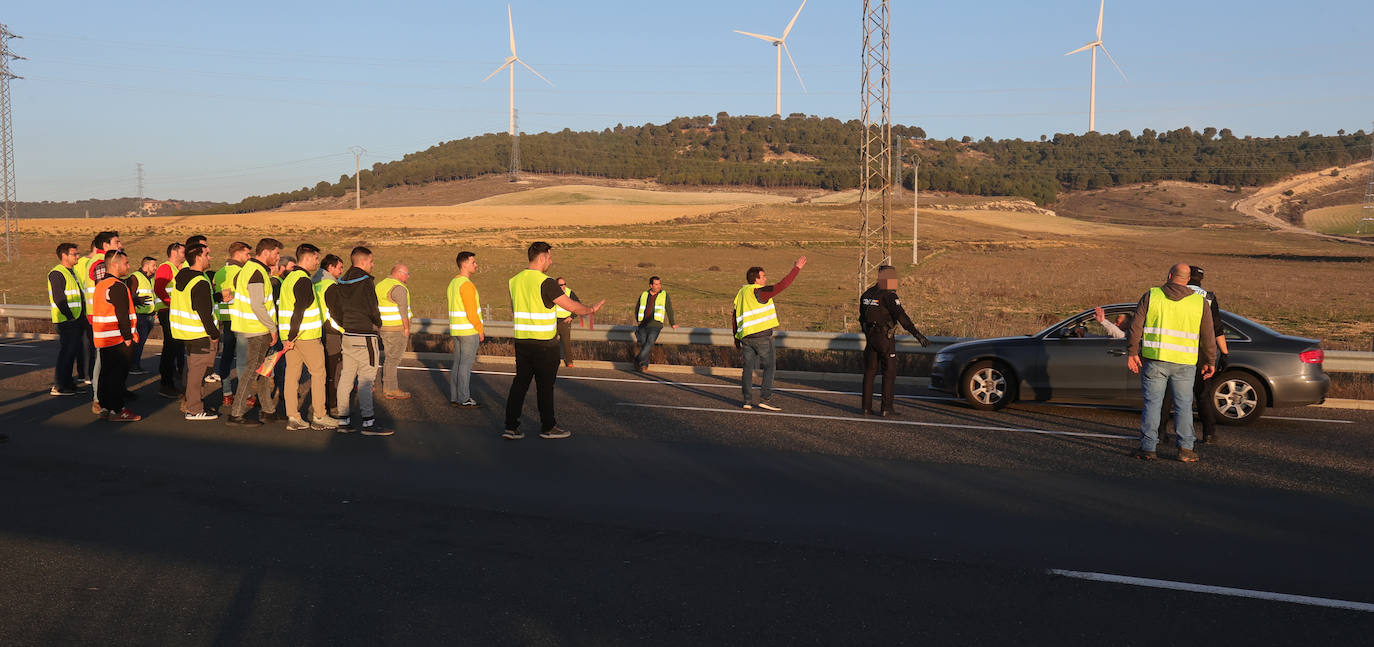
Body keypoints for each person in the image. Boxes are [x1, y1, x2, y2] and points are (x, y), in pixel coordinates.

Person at [504, 242, 603, 440]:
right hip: (544, 344)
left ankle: (511, 426)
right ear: (541, 258)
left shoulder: (514, 280)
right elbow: (571, 306)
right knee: (545, 387)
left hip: (522, 341)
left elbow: (516, 309)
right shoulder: (546, 282)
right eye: (549, 257)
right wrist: (590, 310)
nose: (551, 261)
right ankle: (548, 427)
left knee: (520, 384)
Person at [1126, 263, 1218, 462]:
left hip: (1155, 360)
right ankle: (1186, 448)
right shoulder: (1199, 302)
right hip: (1185, 362)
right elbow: (1209, 335)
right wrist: (1211, 360)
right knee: (1184, 405)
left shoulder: (1152, 295)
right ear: (1188, 280)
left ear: (1169, 275)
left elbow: (1136, 326)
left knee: (1153, 404)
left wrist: (1132, 352)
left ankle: (1148, 448)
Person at [1157, 265, 1230, 445]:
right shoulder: (1208, 298)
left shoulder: (1173, 293)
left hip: (1172, 350)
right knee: (1202, 395)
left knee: (1167, 396)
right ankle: (1209, 433)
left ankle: (1160, 433)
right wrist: (1224, 354)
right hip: (1199, 353)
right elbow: (1216, 329)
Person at [328, 246, 392, 435]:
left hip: (348, 335)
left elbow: (336, 308)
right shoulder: (365, 282)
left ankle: (344, 420)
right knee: (366, 380)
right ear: (363, 262)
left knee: (346, 377)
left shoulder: (341, 281)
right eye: (371, 262)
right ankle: (368, 422)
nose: (373, 265)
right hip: (365, 336)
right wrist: (377, 323)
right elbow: (373, 308)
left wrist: (344, 323)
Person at [732, 256, 806, 411]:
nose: (766, 278)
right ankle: (765, 398)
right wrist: (796, 268)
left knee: (747, 369)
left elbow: (734, 315)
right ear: (756, 279)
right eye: (763, 276)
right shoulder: (759, 292)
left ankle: (747, 401)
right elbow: (782, 285)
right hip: (762, 337)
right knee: (770, 367)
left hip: (745, 337)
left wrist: (736, 338)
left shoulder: (741, 293)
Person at [279, 244, 340, 431]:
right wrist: (292, 335)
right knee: (319, 373)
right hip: (305, 336)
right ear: (308, 257)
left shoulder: (289, 278)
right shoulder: (303, 280)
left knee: (291, 375)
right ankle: (320, 415)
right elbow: (299, 310)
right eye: (315, 258)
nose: (317, 262)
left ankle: (293, 416)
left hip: (290, 337)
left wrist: (288, 338)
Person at [859, 265, 930, 416]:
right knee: (889, 373)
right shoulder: (889, 296)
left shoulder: (866, 295)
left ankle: (866, 408)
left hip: (870, 338)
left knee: (870, 372)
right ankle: (886, 408)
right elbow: (901, 316)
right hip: (885, 338)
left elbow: (861, 318)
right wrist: (917, 334)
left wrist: (867, 334)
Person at [226, 238, 283, 427]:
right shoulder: (256, 272)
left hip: (257, 328)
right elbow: (258, 305)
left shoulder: (251, 269)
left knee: (265, 370)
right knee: (252, 371)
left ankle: (268, 410)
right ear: (266, 253)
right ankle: (236, 414)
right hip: (258, 330)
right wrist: (272, 328)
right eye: (276, 253)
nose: (278, 257)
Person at [169, 244, 221, 420]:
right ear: (198, 257)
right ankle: (195, 409)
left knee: (192, 371)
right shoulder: (200, 281)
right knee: (198, 373)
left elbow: (194, 302)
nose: (210, 258)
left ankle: (191, 404)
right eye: (207, 254)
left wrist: (218, 297)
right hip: (199, 334)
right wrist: (214, 334)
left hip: (184, 332)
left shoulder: (182, 276)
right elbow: (204, 312)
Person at [91, 250, 141, 422]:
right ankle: (118, 409)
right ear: (115, 264)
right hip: (118, 339)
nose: (128, 266)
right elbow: (122, 314)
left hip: (104, 338)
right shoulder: (117, 285)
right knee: (117, 377)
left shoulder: (101, 285)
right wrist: (127, 337)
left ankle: (105, 406)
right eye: (126, 263)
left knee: (106, 373)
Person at [214, 241, 251, 405]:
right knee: (243, 359)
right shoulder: (242, 272)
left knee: (227, 356)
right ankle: (247, 395)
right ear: (238, 253)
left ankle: (227, 393)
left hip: (225, 318)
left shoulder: (220, 272)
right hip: (239, 318)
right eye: (247, 254)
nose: (249, 257)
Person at [446, 251, 484, 407]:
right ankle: (464, 398)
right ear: (465, 264)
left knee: (458, 363)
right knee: (465, 366)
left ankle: (455, 397)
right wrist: (479, 329)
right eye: (473, 262)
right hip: (468, 330)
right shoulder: (467, 285)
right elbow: (471, 311)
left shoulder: (453, 283)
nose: (476, 265)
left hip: (456, 329)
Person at [47, 243, 86, 396]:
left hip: (76, 319)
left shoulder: (72, 272)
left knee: (72, 353)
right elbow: (59, 298)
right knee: (67, 352)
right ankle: (60, 385)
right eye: (74, 254)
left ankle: (68, 383)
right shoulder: (57, 273)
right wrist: (70, 317)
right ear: (64, 256)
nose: (78, 256)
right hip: (67, 320)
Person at [153, 242, 187, 399]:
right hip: (167, 312)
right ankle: (166, 384)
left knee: (173, 348)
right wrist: (171, 303)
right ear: (174, 252)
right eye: (182, 251)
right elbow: (159, 288)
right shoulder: (166, 268)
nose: (184, 254)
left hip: (172, 312)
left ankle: (170, 381)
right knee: (170, 348)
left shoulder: (175, 269)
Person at [314, 253, 345, 417]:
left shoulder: (315, 281)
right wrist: (344, 328)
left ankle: (321, 402)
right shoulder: (331, 286)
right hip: (331, 331)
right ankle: (331, 404)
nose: (341, 271)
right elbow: (336, 311)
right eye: (340, 268)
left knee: (321, 371)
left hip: (316, 329)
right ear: (330, 267)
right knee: (332, 371)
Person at [375, 263, 412, 400]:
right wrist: (406, 328)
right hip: (396, 329)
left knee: (389, 358)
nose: (408, 276)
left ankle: (388, 386)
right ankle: (390, 389)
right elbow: (403, 310)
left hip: (384, 327)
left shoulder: (381, 285)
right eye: (407, 274)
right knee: (393, 359)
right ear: (399, 273)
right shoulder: (399, 288)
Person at [633, 275, 677, 372]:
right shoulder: (644, 294)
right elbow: (637, 308)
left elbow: (669, 309)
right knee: (645, 344)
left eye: (659, 284)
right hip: (643, 324)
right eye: (656, 284)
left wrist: (672, 323)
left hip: (656, 324)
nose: (659, 286)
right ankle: (644, 365)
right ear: (650, 285)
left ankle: (637, 359)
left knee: (649, 343)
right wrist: (638, 320)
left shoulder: (664, 295)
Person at [128, 257, 158, 374]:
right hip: (140, 315)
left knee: (141, 342)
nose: (155, 268)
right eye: (154, 265)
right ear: (146, 265)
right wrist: (136, 300)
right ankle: (133, 366)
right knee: (138, 342)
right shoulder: (135, 277)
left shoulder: (151, 279)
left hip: (148, 315)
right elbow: (130, 294)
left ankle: (136, 364)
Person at [553, 277, 580, 368]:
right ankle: (550, 361)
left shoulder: (569, 292)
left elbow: (578, 304)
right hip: (553, 321)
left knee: (566, 343)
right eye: (561, 285)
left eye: (564, 284)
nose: (563, 286)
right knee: (550, 342)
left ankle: (569, 362)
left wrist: (572, 316)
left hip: (565, 321)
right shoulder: (552, 292)